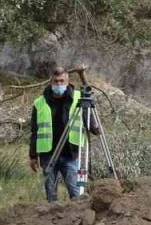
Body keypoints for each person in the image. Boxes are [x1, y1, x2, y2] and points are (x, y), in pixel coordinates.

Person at [29, 66, 100, 202]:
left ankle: (78, 217)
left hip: (70, 153)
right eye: (56, 81)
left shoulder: (78, 98)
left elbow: (89, 122)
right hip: (48, 153)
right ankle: (53, 219)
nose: (59, 84)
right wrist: (33, 156)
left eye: (62, 81)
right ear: (51, 81)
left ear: (67, 81)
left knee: (77, 194)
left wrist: (95, 127)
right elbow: (34, 131)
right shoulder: (40, 102)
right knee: (51, 195)